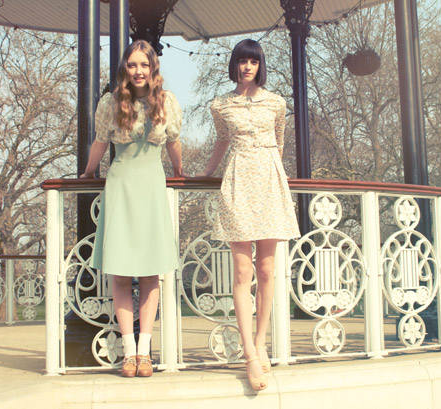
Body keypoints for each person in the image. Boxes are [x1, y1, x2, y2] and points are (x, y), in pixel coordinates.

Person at [197, 39, 300, 391]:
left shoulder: (276, 103)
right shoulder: (220, 105)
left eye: (253, 62)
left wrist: (274, 177)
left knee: (267, 269)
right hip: (238, 183)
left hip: (269, 182)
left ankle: (261, 341)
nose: (247, 67)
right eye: (242, 61)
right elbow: (221, 141)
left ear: (260, 66)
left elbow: (280, 143)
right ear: (235, 64)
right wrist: (206, 172)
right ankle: (249, 354)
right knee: (243, 271)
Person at [80, 39, 184, 378]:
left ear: (153, 68)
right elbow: (100, 142)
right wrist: (89, 171)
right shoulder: (111, 102)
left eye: (144, 64)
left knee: (151, 273)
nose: (139, 71)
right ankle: (128, 352)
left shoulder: (166, 101)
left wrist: (180, 170)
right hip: (121, 186)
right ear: (125, 67)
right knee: (121, 272)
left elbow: (173, 142)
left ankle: (144, 352)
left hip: (152, 185)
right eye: (133, 64)